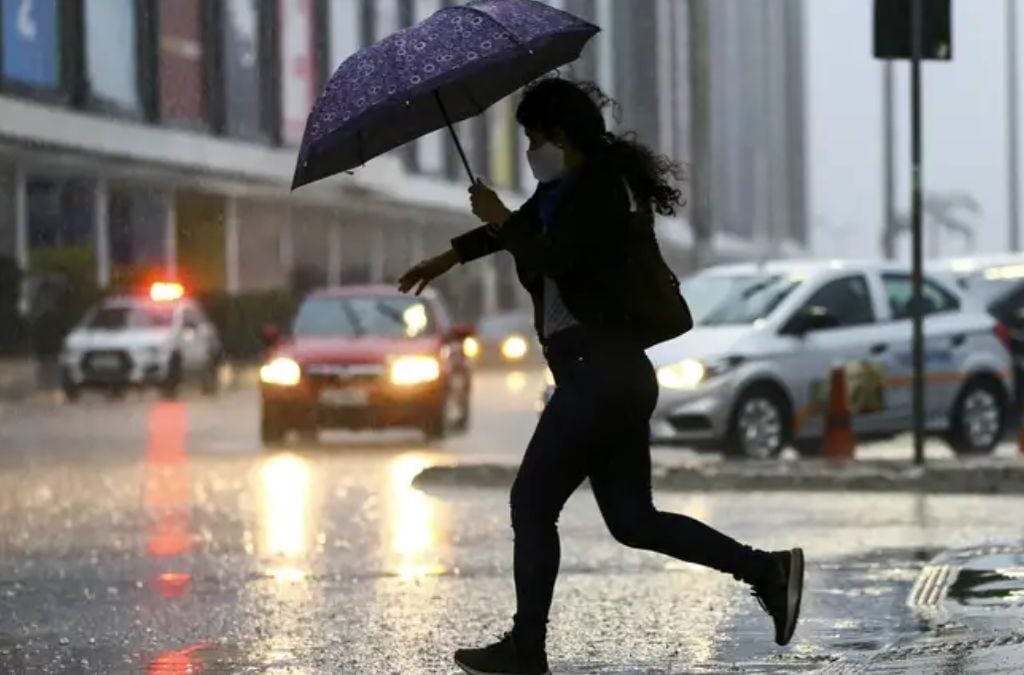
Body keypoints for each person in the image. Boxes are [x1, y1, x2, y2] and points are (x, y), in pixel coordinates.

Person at [399, 77, 804, 675]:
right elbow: (520, 230)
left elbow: (553, 255)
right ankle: (767, 570)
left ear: (563, 134)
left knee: (532, 503)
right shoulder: (565, 191)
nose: (532, 148)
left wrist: (504, 220)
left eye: (536, 136)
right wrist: (451, 255)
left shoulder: (601, 193)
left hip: (600, 373)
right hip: (608, 374)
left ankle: (526, 648)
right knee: (634, 520)